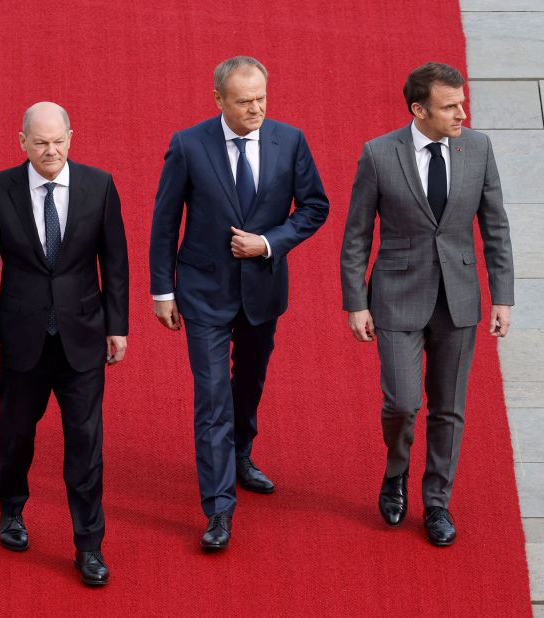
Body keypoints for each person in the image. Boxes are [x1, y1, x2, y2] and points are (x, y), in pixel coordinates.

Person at [150, 56, 329, 551]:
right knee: (212, 398)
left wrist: (269, 242)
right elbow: (165, 220)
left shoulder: (288, 140)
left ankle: (242, 453)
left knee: (247, 383)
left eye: (262, 99)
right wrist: (161, 290)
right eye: (245, 101)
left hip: (262, 291)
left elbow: (315, 206)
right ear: (219, 100)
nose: (256, 109)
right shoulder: (188, 145)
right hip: (203, 293)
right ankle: (219, 509)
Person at [339, 62, 514, 547]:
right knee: (403, 403)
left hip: (458, 300)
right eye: (450, 105)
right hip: (395, 297)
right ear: (419, 109)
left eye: (462, 102)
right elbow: (357, 234)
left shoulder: (478, 148)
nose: (463, 112)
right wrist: (356, 302)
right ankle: (396, 471)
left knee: (449, 409)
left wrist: (503, 296)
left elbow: (494, 226)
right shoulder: (378, 154)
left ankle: (437, 501)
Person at [0, 102, 128, 585]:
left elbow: (114, 263)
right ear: (22, 143)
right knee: (16, 435)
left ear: (71, 137)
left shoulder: (99, 186)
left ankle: (88, 546)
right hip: (20, 341)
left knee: (86, 444)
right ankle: (11, 508)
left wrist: (117, 326)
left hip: (81, 339)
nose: (51, 150)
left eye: (58, 140)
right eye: (40, 143)